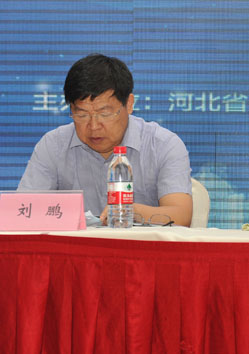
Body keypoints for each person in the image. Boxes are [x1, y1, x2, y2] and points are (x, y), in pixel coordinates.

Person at [18, 54, 193, 226]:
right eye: (82, 114)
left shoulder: (163, 145)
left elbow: (181, 216)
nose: (94, 126)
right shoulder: (53, 146)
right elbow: (23, 211)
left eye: (105, 114)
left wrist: (127, 211)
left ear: (129, 104)